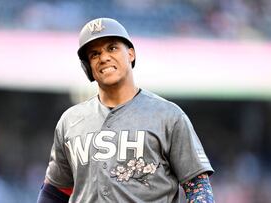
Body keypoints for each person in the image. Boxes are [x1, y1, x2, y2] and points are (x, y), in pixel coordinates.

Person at [37, 17, 215, 203]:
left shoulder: (168, 116)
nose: (104, 57)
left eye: (112, 48)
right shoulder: (71, 121)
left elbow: (198, 187)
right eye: (94, 54)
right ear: (87, 67)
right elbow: (55, 191)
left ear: (131, 54)